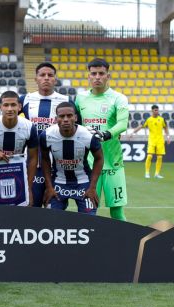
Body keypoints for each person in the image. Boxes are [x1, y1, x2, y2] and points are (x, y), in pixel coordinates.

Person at [75, 58, 129, 221]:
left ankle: (125, 244)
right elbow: (76, 123)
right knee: (89, 212)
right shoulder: (80, 98)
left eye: (101, 73)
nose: (97, 77)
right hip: (89, 166)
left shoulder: (119, 98)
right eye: (93, 73)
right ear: (88, 76)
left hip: (114, 164)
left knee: (117, 212)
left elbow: (122, 124)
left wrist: (106, 134)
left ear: (108, 76)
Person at [0, 91, 38, 205]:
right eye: (6, 105)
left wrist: (28, 187)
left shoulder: (29, 127)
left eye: (13, 105)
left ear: (19, 107)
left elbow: (33, 158)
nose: (9, 109)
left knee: (15, 214)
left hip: (17, 173)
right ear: (0, 107)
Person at [20, 62, 69, 207]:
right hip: (32, 161)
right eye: (42, 75)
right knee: (31, 205)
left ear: (55, 79)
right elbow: (3, 110)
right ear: (36, 79)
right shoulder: (25, 99)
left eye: (50, 75)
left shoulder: (65, 101)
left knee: (53, 208)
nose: (46, 78)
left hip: (57, 163)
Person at [41, 102, 103, 214]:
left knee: (89, 223)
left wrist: (92, 187)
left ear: (75, 117)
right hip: (58, 184)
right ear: (56, 119)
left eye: (69, 116)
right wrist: (49, 187)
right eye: (61, 116)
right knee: (51, 221)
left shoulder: (88, 136)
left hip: (83, 183)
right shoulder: (46, 136)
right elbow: (45, 160)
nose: (65, 119)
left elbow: (99, 158)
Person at [128, 105, 170, 179]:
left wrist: (168, 136)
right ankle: (147, 172)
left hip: (160, 141)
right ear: (152, 111)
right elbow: (141, 126)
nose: (157, 112)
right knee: (149, 156)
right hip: (152, 140)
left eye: (157, 110)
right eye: (155, 110)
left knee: (160, 157)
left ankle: (157, 174)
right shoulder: (148, 119)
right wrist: (133, 133)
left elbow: (166, 127)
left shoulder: (162, 119)